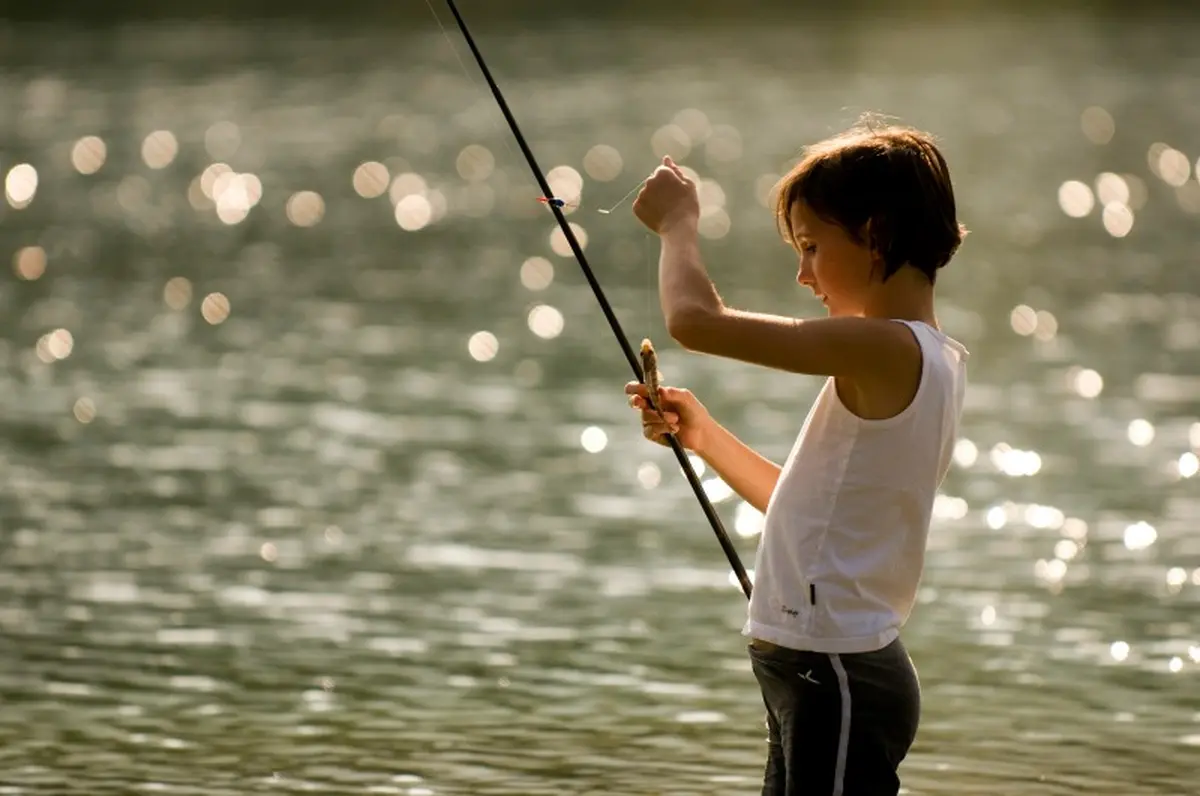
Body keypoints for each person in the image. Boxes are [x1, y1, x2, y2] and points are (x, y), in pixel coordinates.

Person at [625, 115, 970, 796]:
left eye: (811, 246)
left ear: (875, 234)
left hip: (836, 677)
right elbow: (809, 511)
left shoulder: (887, 348)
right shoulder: (918, 356)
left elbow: (694, 322)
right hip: (820, 673)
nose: (802, 273)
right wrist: (705, 436)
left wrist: (678, 225)